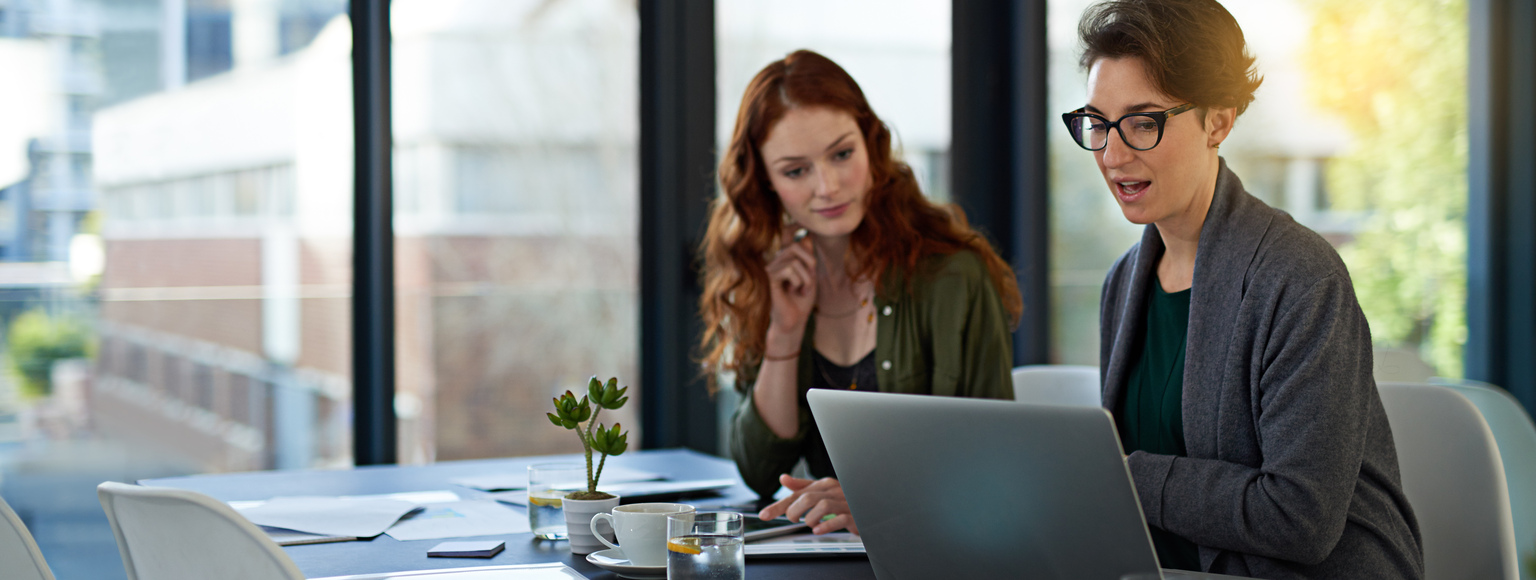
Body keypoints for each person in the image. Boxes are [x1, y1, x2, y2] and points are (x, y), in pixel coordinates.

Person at [1067, 0, 1423, 577]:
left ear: (1218, 120)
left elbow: (1299, 517)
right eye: (1098, 123)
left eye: (1142, 122)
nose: (1112, 153)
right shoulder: (1123, 283)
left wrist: (1125, 474)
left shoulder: (1300, 277)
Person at [698, 50, 1022, 533]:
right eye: (795, 171)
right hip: (822, 552)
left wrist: (880, 498)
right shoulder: (776, 280)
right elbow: (761, 470)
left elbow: (997, 467)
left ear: (871, 145)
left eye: (841, 154)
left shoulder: (955, 276)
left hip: (934, 553)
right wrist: (784, 333)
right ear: (765, 182)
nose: (827, 186)